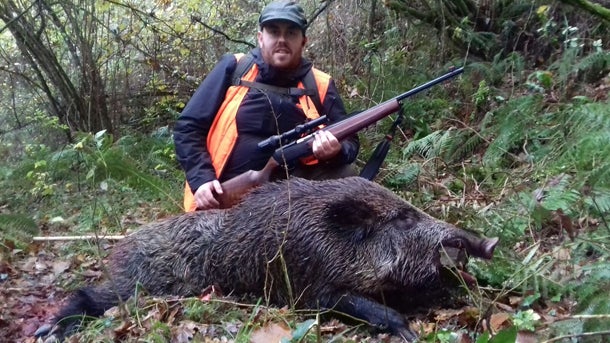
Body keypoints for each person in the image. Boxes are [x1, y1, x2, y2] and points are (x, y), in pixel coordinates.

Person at [174, 0, 359, 211]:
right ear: (261, 38)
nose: (282, 40)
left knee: (346, 173)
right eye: (274, 31)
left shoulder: (320, 84)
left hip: (293, 195)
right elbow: (188, 127)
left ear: (303, 41)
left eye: (291, 33)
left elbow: (350, 140)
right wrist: (202, 179)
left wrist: (335, 151)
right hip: (223, 189)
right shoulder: (235, 68)